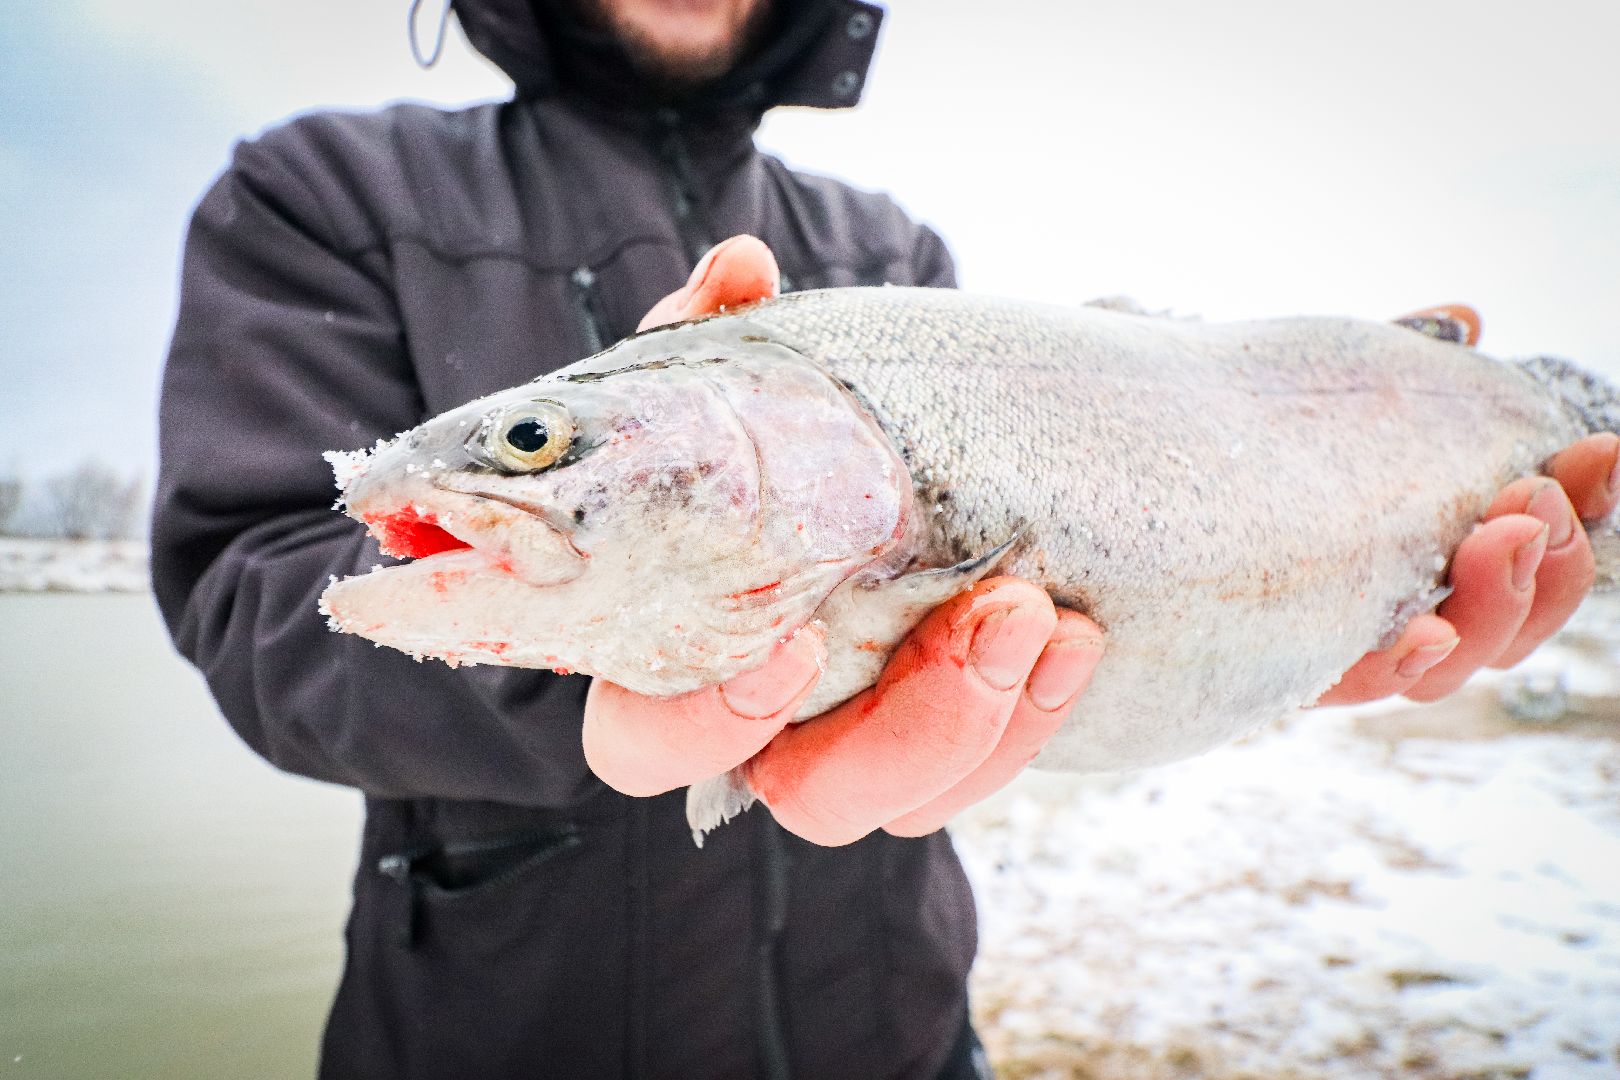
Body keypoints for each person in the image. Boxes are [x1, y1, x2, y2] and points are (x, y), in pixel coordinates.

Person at [151, 1, 1620, 1077]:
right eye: (537, 443)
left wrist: (1285, 635)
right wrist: (627, 668)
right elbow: (264, 591)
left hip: (896, 1028)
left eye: (536, 442)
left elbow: (1028, 619)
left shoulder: (886, 251)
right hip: (493, 1032)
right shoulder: (324, 192)